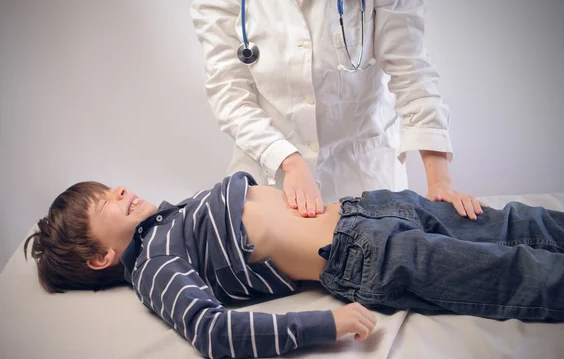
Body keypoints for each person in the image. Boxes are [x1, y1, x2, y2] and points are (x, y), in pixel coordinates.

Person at [25, 172, 564, 359]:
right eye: (103, 203)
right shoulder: (156, 267)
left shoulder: (170, 218)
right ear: (102, 257)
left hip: (367, 208)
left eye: (107, 186)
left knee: (518, 222)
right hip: (364, 256)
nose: (118, 189)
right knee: (508, 269)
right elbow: (214, 331)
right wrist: (325, 325)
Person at [190, 0, 483, 220]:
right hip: (268, 182)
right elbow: (228, 92)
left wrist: (440, 181)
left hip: (363, 177)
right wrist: (288, 160)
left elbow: (412, 74)